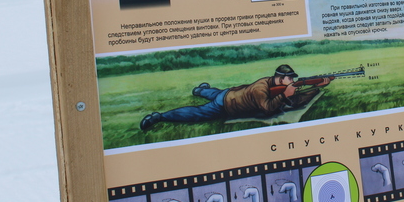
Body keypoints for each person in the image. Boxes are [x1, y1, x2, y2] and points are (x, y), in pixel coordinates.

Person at [140, 64, 331, 130]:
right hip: (225, 105)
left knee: (212, 92)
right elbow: (267, 108)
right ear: (281, 78)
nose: (292, 81)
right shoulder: (261, 88)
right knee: (196, 113)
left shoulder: (274, 84)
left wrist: (316, 86)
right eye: (290, 79)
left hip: (229, 92)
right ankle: (160, 117)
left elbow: (292, 96)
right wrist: (285, 96)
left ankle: (199, 90)